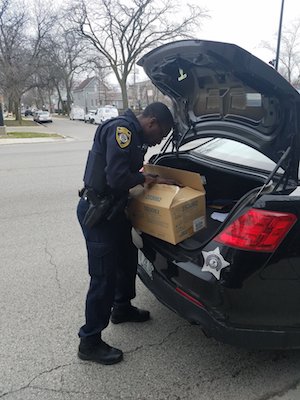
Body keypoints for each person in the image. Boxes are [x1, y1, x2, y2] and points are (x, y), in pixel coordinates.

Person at [76, 102, 175, 365]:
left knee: (127, 257)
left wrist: (151, 175)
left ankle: (122, 308)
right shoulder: (122, 131)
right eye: (161, 134)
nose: (158, 141)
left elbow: (132, 169)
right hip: (98, 213)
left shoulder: (134, 135)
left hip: (115, 210)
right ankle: (89, 341)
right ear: (152, 122)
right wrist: (144, 179)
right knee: (103, 276)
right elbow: (118, 177)